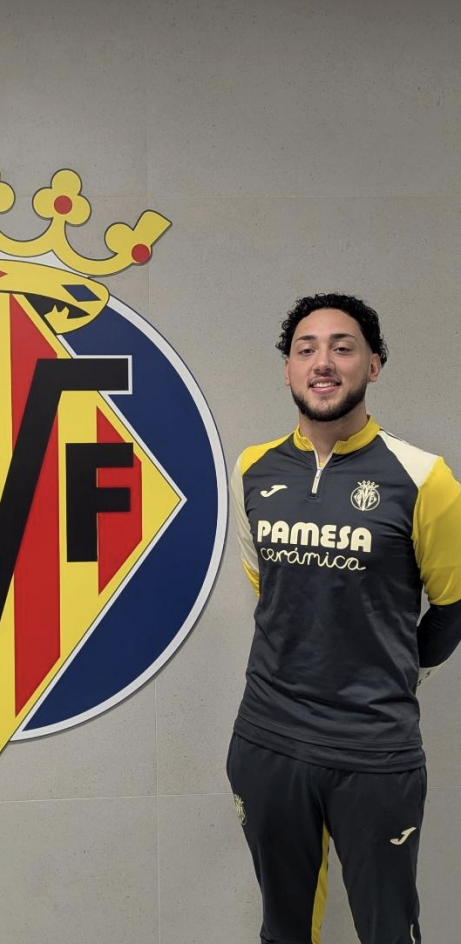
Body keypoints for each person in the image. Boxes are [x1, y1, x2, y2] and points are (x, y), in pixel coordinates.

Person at [227, 293, 461, 944]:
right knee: (285, 929)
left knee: (388, 930)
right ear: (287, 369)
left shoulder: (425, 479)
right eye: (306, 348)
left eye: (342, 346)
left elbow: (453, 605)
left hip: (373, 752)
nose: (322, 361)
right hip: (268, 742)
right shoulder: (253, 469)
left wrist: (397, 676)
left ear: (375, 365)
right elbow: (268, 589)